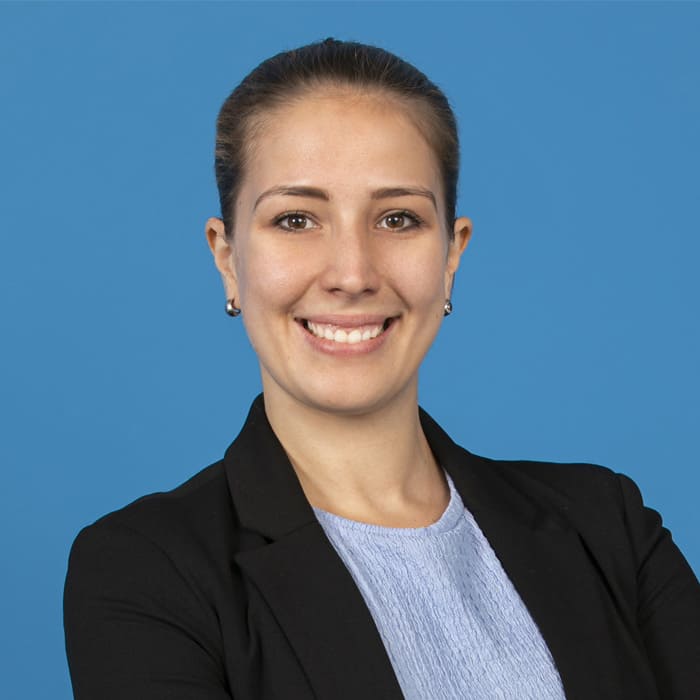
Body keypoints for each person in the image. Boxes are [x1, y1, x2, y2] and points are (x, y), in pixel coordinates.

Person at [63, 39, 700, 700]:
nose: (352, 274)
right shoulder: (146, 570)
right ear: (228, 258)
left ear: (452, 254)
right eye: (296, 218)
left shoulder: (608, 526)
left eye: (398, 218)